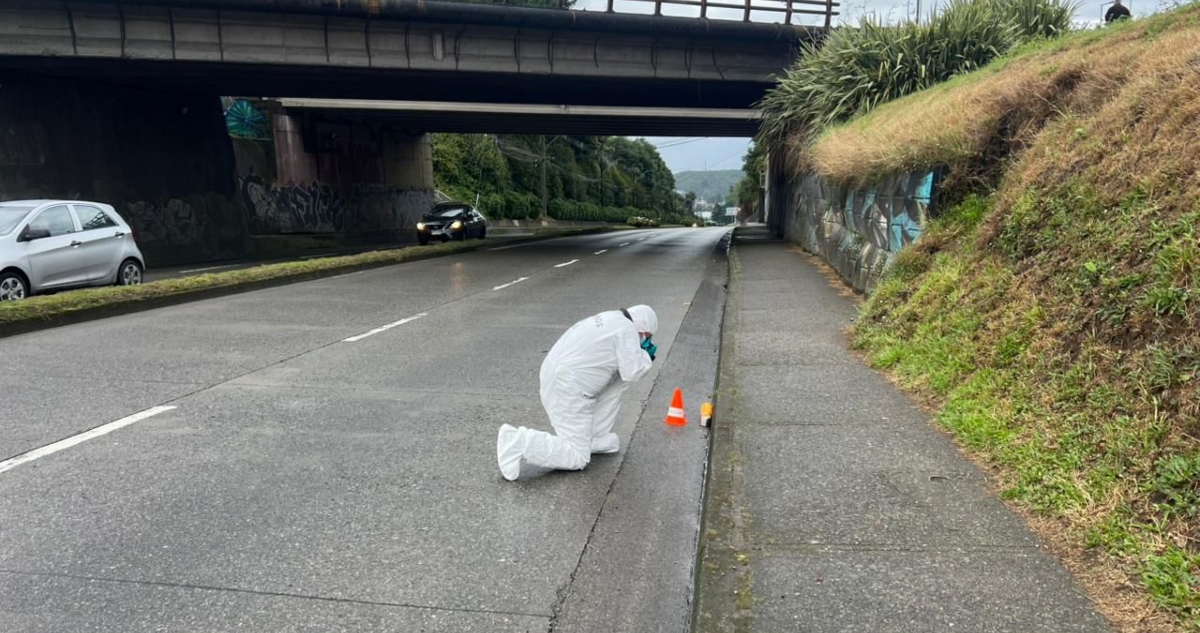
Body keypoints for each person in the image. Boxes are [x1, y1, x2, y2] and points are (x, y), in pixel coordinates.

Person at [496, 305, 659, 481]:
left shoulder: (611, 318)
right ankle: (518, 441)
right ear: (642, 328)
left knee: (618, 383)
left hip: (558, 377)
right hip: (568, 387)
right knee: (577, 457)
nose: (643, 342)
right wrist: (645, 357)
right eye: (646, 337)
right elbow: (632, 372)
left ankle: (592, 438)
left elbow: (622, 378)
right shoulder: (627, 329)